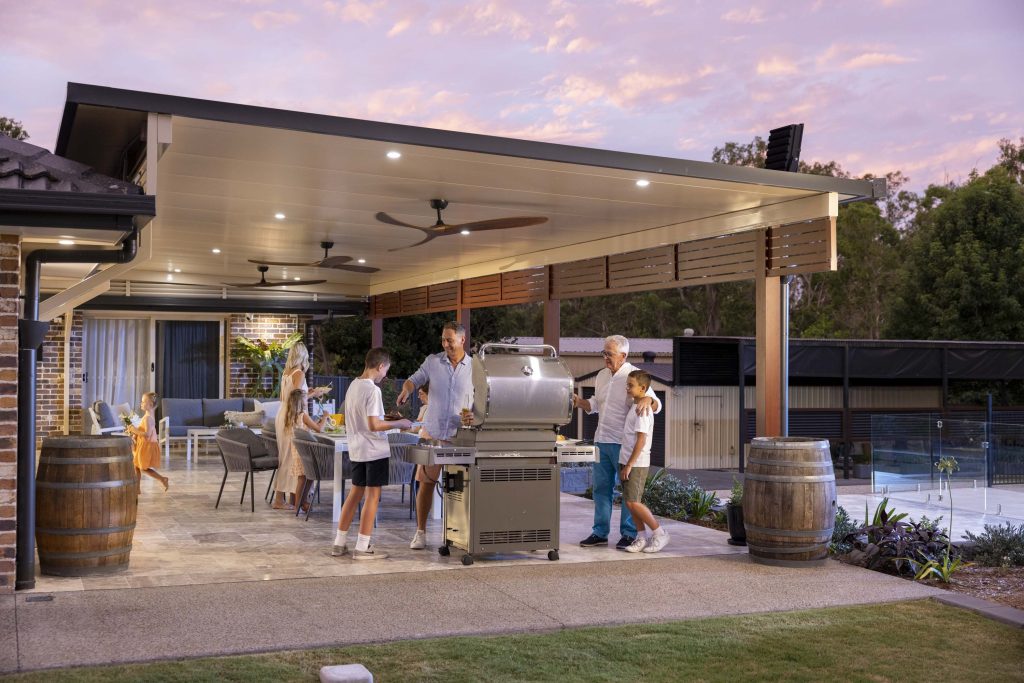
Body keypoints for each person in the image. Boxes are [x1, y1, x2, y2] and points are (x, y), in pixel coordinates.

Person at [573, 335, 661, 550]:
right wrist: (580, 402)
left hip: (623, 444)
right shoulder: (602, 375)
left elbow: (656, 405)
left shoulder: (633, 376)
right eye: (604, 353)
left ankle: (630, 534)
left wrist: (650, 399)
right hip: (601, 440)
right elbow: (595, 404)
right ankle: (600, 532)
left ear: (623, 355)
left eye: (609, 354)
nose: (605, 357)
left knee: (628, 494)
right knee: (601, 490)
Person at [396, 321, 473, 550]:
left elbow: (481, 398)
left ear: (462, 340)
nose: (445, 344)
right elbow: (415, 378)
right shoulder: (432, 361)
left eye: (450, 339)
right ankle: (420, 533)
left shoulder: (474, 367)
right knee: (426, 482)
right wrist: (406, 389)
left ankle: (459, 533)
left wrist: (475, 416)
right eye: (443, 339)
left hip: (460, 434)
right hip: (433, 432)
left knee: (458, 487)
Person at [332, 347, 412, 559]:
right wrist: (401, 423)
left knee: (354, 494)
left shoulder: (353, 386)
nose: (385, 375)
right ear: (380, 366)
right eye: (386, 370)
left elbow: (365, 418)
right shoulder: (373, 390)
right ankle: (362, 547)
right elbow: (374, 424)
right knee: (372, 497)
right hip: (374, 450)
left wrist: (388, 419)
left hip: (357, 448)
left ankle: (339, 543)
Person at [272, 342, 327, 509]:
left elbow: (290, 396)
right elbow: (296, 400)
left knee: (286, 458)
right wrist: (315, 394)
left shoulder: (287, 373)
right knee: (291, 459)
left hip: (282, 414)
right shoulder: (299, 373)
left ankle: (287, 498)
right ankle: (279, 501)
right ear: (303, 356)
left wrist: (308, 392)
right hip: (292, 417)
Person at [619, 370, 669, 554]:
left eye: (631, 385)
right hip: (625, 459)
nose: (627, 388)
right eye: (627, 384)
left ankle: (659, 533)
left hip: (637, 462)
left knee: (634, 502)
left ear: (643, 388)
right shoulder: (635, 405)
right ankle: (641, 537)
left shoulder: (643, 409)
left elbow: (641, 440)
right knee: (630, 502)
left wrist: (630, 464)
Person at [281, 387, 327, 512]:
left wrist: (316, 422)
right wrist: (325, 417)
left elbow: (307, 427)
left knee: (308, 476)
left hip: (297, 450)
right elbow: (319, 429)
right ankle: (297, 506)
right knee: (303, 478)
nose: (307, 401)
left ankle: (302, 502)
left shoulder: (291, 416)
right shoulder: (303, 415)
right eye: (305, 399)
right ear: (301, 402)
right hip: (305, 452)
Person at [127, 391, 168, 494]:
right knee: (136, 466)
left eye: (143, 402)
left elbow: (147, 434)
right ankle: (137, 488)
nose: (141, 403)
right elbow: (144, 430)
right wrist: (135, 432)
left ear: (150, 405)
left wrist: (133, 430)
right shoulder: (147, 417)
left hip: (146, 446)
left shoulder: (148, 418)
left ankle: (162, 479)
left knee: (142, 467)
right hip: (143, 444)